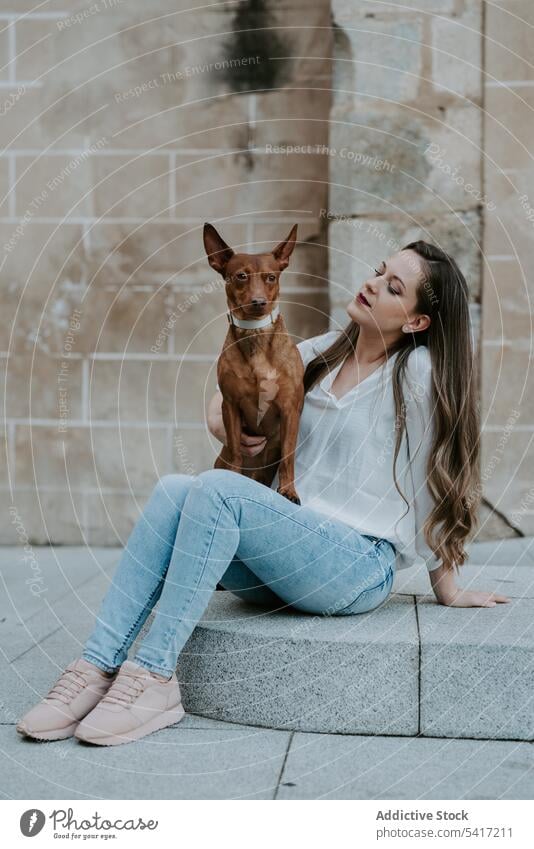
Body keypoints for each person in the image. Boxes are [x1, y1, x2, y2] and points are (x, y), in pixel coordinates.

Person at [16, 240, 509, 747]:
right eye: (379, 271)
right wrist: (222, 423)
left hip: (354, 566)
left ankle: (154, 678)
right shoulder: (317, 352)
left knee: (217, 491)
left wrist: (447, 584)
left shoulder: (417, 374)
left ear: (416, 323)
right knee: (173, 490)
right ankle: (95, 666)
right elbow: (225, 396)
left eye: (393, 287)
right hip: (282, 558)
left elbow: (439, 472)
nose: (371, 283)